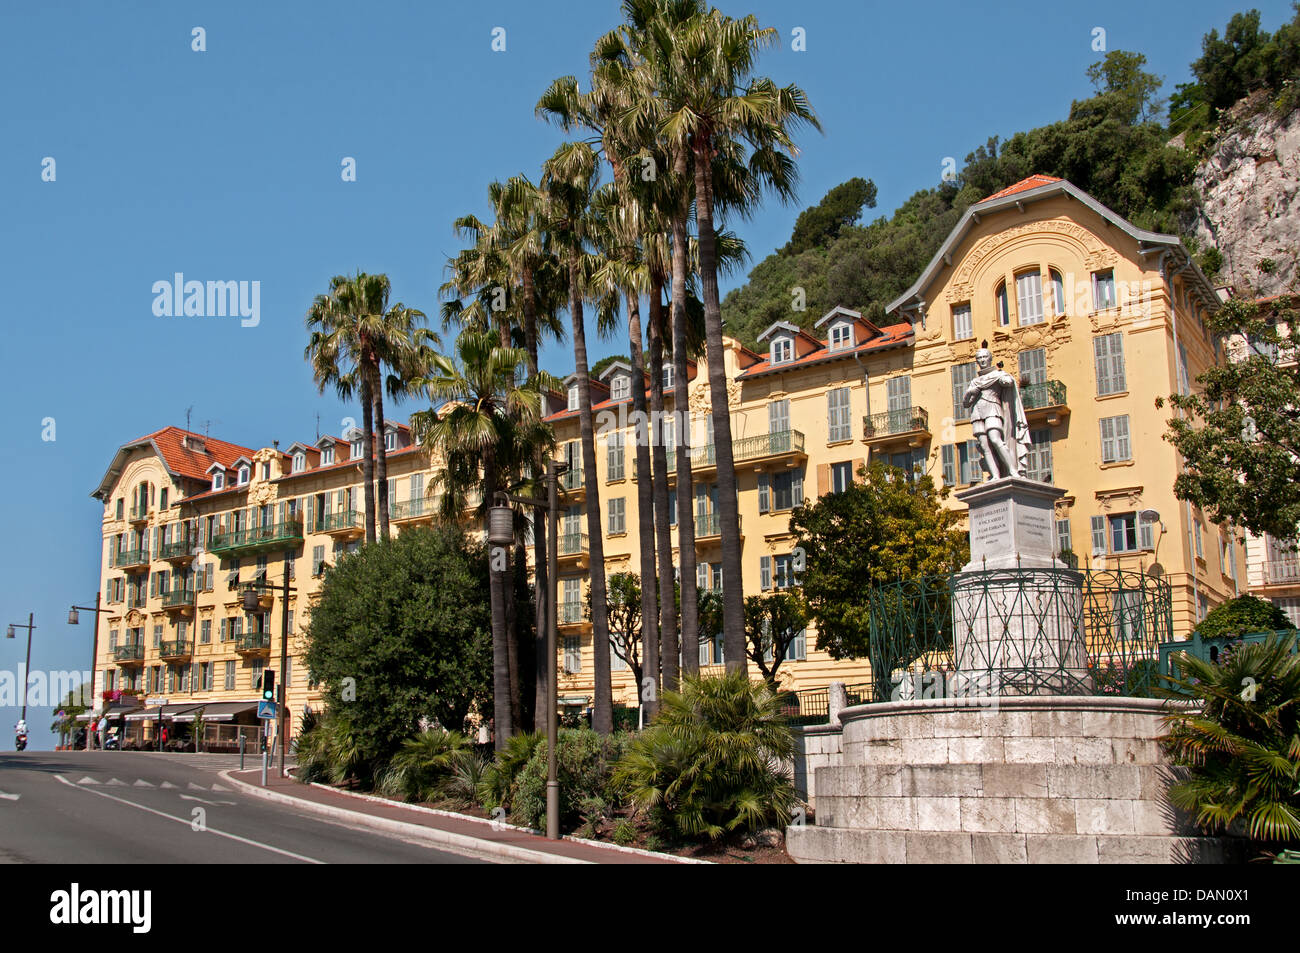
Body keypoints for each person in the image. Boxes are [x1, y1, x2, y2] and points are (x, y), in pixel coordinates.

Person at [962, 347, 1030, 479]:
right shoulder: (975, 382)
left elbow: (1009, 382)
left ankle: (1013, 470)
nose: (982, 360)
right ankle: (995, 476)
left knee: (995, 439)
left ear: (990, 358)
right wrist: (970, 392)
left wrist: (1005, 380)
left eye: (984, 357)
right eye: (979, 358)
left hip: (993, 408)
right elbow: (966, 404)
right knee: (985, 445)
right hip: (977, 412)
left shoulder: (998, 374)